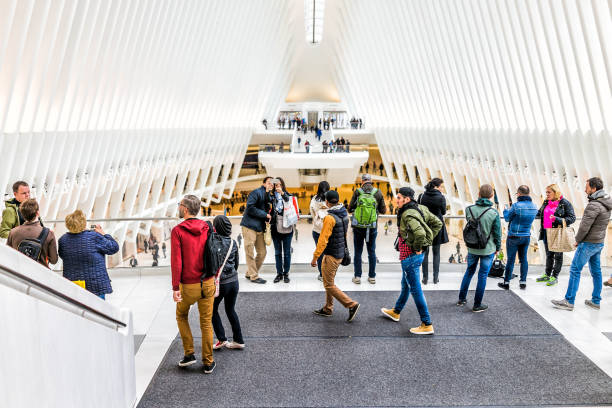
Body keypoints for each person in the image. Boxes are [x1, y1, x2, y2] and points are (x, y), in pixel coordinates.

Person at [381, 187, 442, 334]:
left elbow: (420, 233)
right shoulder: (421, 208)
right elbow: (438, 223)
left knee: (415, 289)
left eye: (399, 197)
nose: (396, 200)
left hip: (410, 256)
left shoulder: (408, 214)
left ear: (407, 199)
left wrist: (418, 246)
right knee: (406, 284)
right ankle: (396, 311)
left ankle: (427, 323)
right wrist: (427, 241)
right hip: (412, 256)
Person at [171, 195, 216, 373]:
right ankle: (208, 362)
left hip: (188, 285)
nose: (179, 207)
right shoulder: (207, 227)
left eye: (180, 205)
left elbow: (176, 262)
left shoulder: (178, 231)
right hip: (207, 282)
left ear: (186, 209)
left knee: (182, 316)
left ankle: (189, 354)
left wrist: (175, 287)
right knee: (206, 322)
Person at [552, 178, 612, 311]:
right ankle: (596, 301)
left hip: (588, 243)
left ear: (594, 188)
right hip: (599, 242)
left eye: (587, 187)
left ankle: (569, 301)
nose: (585, 190)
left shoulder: (594, 205)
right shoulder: (607, 203)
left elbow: (585, 227)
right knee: (597, 272)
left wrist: (577, 240)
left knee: (575, 270)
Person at [310, 190, 360, 322]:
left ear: (326, 202)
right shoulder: (344, 214)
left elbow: (323, 240)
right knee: (329, 281)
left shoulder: (329, 218)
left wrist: (315, 257)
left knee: (328, 284)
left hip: (331, 254)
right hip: (339, 253)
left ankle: (351, 304)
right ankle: (328, 308)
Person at [457, 184, 501, 313]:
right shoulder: (493, 213)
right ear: (492, 196)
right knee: (482, 275)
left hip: (472, 247)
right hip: (488, 249)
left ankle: (462, 299)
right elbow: (497, 233)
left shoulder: (469, 209)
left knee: (469, 272)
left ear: (479, 194)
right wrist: (498, 247)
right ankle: (477, 305)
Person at [58, 209, 119, 298]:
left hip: (74, 285)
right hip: (95, 285)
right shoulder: (94, 237)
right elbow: (114, 247)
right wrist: (104, 234)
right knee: (98, 310)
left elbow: (62, 255)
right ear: (83, 223)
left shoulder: (63, 240)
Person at [210, 216, 245, 350]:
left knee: (213, 310)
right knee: (230, 310)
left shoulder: (213, 242)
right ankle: (238, 340)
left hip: (221, 283)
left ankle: (221, 339)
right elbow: (236, 263)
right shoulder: (233, 242)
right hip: (234, 281)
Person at [497, 185, 538, 290]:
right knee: (523, 259)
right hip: (526, 236)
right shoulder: (534, 206)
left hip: (514, 236)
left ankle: (506, 282)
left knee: (510, 260)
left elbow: (506, 218)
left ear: (519, 194)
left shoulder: (516, 206)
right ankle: (523, 282)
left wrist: (506, 209)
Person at [348, 174, 386, 284]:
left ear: (362, 181)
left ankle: (357, 277)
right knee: (371, 252)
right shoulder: (377, 192)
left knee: (358, 252)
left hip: (358, 227)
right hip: (372, 227)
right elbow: (383, 210)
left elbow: (350, 208)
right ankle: (372, 276)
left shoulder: (358, 192)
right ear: (371, 181)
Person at [535, 184, 576, 286]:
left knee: (558, 255)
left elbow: (572, 218)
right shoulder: (546, 202)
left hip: (558, 233)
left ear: (555, 192)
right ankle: (547, 274)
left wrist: (557, 219)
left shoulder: (564, 203)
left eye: (549, 192)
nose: (547, 194)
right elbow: (539, 213)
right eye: (546, 192)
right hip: (546, 232)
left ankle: (555, 276)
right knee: (549, 254)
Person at [240, 177, 273, 284]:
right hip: (249, 226)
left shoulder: (269, 197)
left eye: (272, 183)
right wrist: (265, 214)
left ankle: (249, 273)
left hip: (260, 228)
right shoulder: (256, 193)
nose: (271, 185)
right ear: (264, 184)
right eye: (269, 183)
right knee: (249, 252)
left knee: (262, 252)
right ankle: (254, 276)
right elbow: (250, 208)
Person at [7, 199, 57, 268]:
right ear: (37, 213)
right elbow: (54, 260)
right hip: (40, 275)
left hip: (19, 274)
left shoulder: (13, 232)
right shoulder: (49, 234)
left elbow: (8, 255)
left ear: (22, 214)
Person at [418, 178, 449, 285]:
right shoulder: (441, 197)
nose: (442, 189)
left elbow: (419, 210)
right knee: (436, 253)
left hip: (425, 226)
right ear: (436, 186)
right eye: (441, 186)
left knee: (424, 252)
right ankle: (435, 278)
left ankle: (425, 278)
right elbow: (444, 212)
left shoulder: (422, 196)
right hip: (437, 227)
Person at [270, 177, 294, 283]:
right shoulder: (270, 197)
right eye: (276, 185)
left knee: (287, 252)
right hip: (275, 227)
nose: (277, 186)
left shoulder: (288, 195)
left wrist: (282, 194)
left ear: (283, 185)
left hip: (287, 227)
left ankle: (286, 273)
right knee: (277, 252)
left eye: (279, 184)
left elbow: (288, 201)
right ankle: (279, 273)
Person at [310, 181, 330, 281]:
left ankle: (322, 275)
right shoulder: (330, 199)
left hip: (317, 230)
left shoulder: (314, 199)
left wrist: (316, 220)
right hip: (329, 230)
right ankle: (329, 273)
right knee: (329, 253)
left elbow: (312, 213)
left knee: (320, 252)